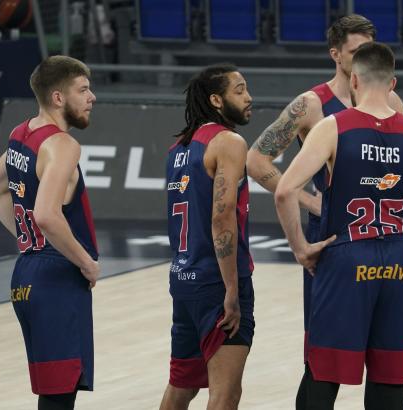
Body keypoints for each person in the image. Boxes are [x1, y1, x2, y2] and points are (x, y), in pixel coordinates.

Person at [275, 42, 403, 410]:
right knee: (389, 387)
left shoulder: (333, 127)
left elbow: (285, 191)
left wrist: (301, 248)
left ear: (354, 82)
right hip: (394, 262)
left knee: (322, 377)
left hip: (345, 257)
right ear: (392, 83)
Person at [245, 15, 403, 408]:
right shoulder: (311, 104)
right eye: (354, 51)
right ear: (335, 54)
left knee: (386, 360)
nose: (363, 57)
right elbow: (256, 158)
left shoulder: (393, 101)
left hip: (378, 240)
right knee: (322, 357)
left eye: (368, 49)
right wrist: (310, 200)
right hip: (330, 241)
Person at [0, 55, 99, 410]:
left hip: (26, 275)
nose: (92, 97)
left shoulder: (22, 134)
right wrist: (86, 263)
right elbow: (47, 215)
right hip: (56, 278)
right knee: (59, 398)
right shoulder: (62, 145)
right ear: (58, 98)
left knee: (54, 393)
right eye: (83, 89)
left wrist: (25, 236)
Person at [159, 64, 255, 410]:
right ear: (216, 99)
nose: (249, 97)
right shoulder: (229, 142)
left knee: (181, 386)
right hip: (216, 281)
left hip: (183, 279)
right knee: (225, 393)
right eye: (240, 90)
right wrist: (232, 289)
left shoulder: (178, 149)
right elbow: (221, 217)